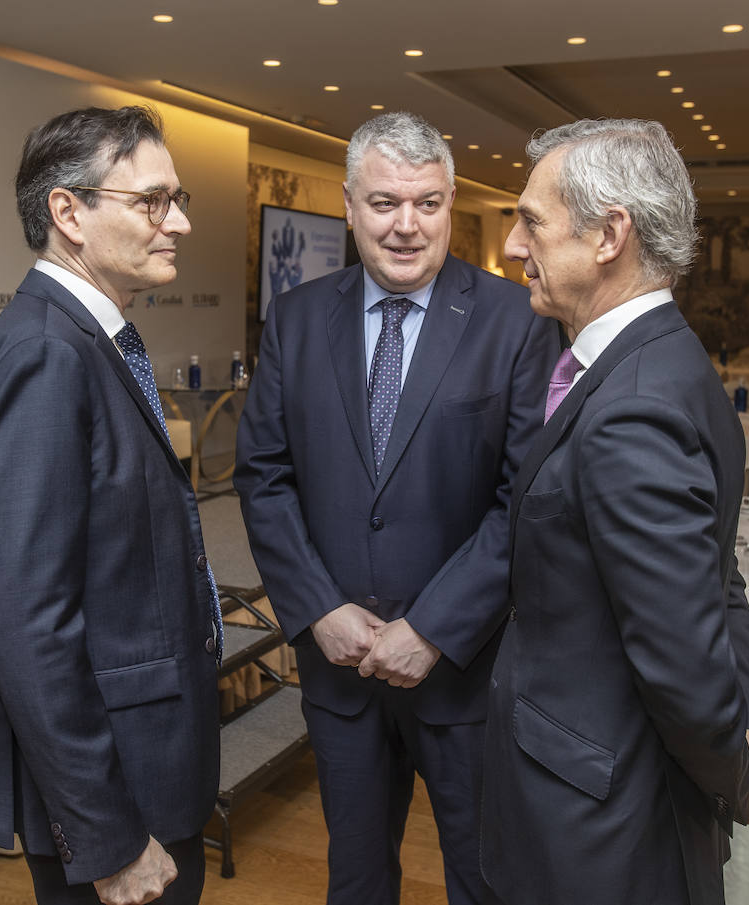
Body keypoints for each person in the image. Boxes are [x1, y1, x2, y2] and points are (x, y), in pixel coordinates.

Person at [479, 119, 749, 905]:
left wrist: (734, 765)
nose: (512, 248)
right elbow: (716, 585)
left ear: (609, 234)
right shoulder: (667, 361)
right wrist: (746, 740)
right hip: (606, 790)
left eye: (530, 220)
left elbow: (681, 654)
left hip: (599, 821)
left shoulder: (634, 405)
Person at [234, 112, 558, 905]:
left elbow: (526, 500)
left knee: (485, 880)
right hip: (339, 667)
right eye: (384, 203)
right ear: (348, 206)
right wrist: (318, 610)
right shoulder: (297, 318)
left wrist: (435, 628)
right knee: (355, 878)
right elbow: (263, 476)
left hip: (463, 670)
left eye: (428, 203)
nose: (406, 225)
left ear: (452, 206)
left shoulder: (517, 322)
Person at [0, 105, 220, 905]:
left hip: (148, 755)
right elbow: (29, 621)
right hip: (114, 791)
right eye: (152, 201)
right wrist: (107, 835)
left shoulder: (92, 339)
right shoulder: (44, 353)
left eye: (176, 198)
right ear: (68, 212)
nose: (177, 221)